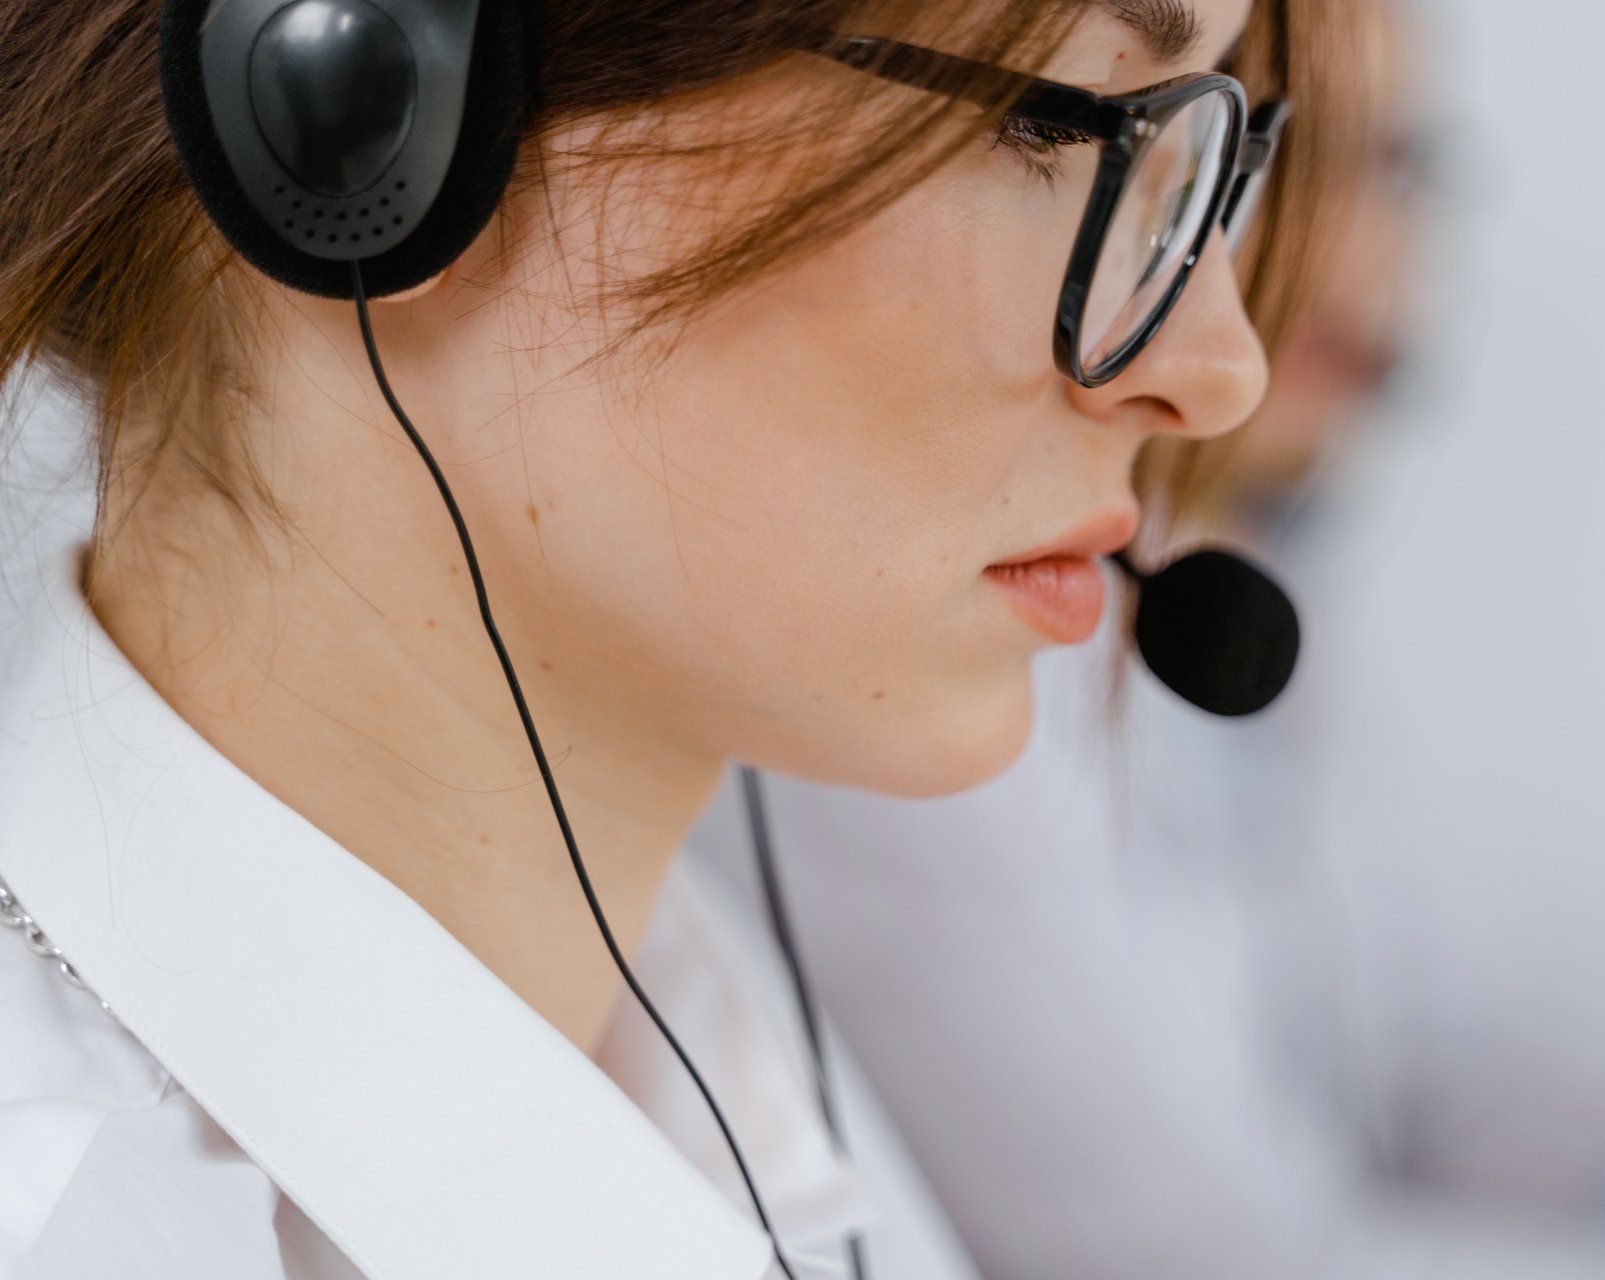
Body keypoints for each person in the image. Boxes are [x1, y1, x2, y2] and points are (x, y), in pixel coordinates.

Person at [0, 1, 1317, 1276]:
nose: (1218, 369)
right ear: (367, 104)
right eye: (1062, 130)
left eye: (1212, 158)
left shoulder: (714, 1075)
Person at [687, 3, 1605, 1278]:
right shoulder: (922, 642)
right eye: (1273, 163)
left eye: (1388, 169)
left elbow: (1454, 1061)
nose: (1357, 254)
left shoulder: (1246, 580)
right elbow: (1202, 1260)